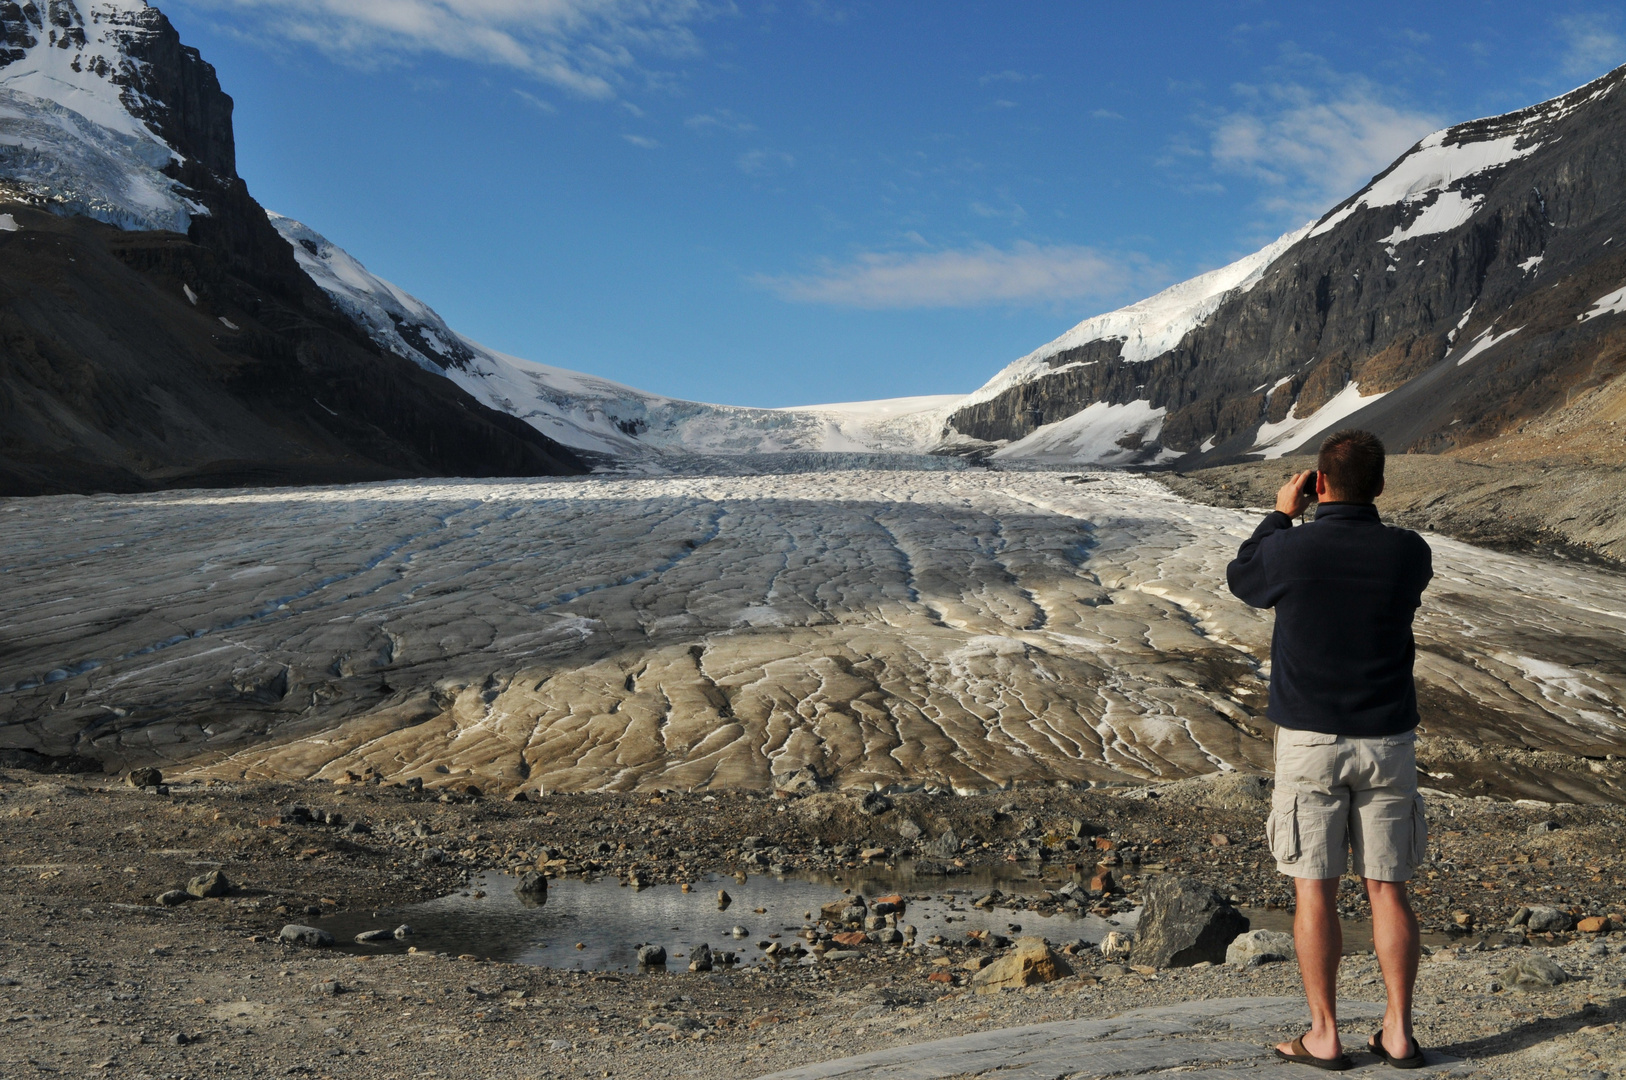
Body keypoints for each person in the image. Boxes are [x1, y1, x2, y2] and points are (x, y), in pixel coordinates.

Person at [1226, 429, 1434, 1072]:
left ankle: (1324, 1035)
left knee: (1314, 891)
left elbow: (1243, 578)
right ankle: (1397, 1033)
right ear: (1380, 486)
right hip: (1389, 740)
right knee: (1388, 889)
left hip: (1311, 741)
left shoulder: (1292, 550)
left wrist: (1280, 515)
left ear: (1318, 484)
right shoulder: (1408, 552)